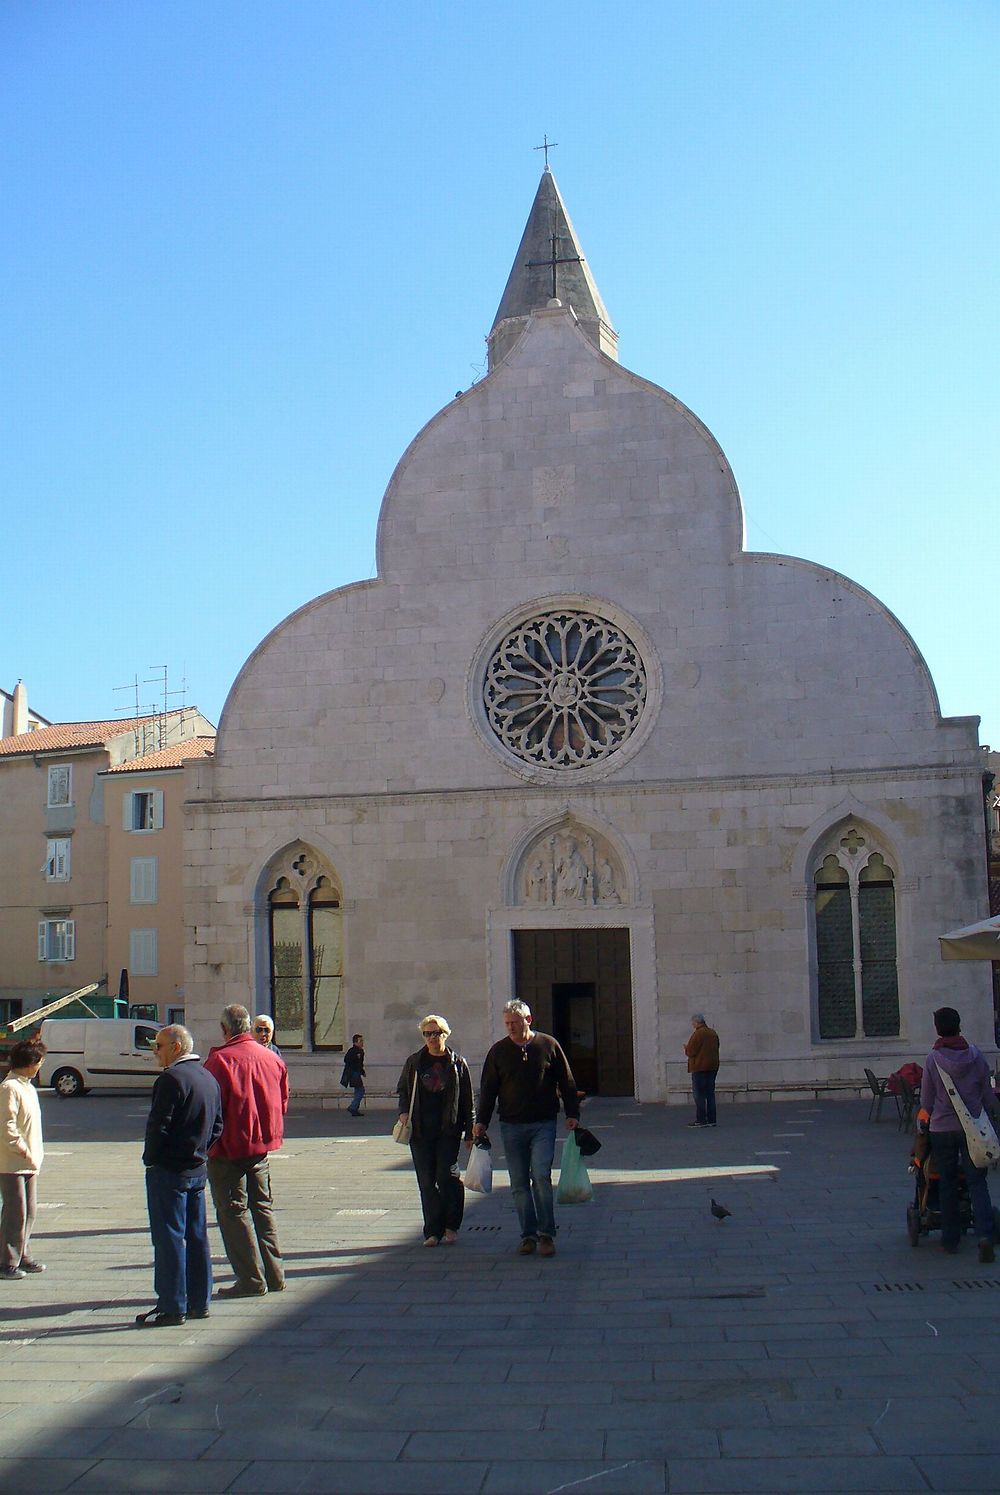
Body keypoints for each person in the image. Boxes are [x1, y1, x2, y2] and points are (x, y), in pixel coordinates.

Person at [474, 999, 579, 1257]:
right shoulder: (498, 1051)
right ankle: (528, 1235)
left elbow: (566, 1081)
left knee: (541, 1176)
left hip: (543, 1123)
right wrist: (481, 1121)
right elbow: (488, 1089)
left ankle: (546, 1234)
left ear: (528, 1020)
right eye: (507, 1023)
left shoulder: (548, 1045)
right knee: (519, 1182)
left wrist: (572, 1113)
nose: (510, 1027)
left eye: (515, 1022)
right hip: (511, 1125)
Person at [136, 1024, 223, 1328]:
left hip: (170, 1171)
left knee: (169, 1237)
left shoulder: (171, 1079)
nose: (154, 1052)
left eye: (158, 1046)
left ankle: (173, 1305)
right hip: (197, 1169)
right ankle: (200, 1301)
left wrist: (152, 1158)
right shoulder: (206, 1077)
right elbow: (217, 1126)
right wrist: (199, 1151)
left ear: (175, 1047)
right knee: (196, 1235)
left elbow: (158, 1126)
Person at [203, 1004, 289, 1297]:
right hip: (261, 1146)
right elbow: (283, 1099)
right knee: (263, 1208)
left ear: (225, 1029)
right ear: (249, 1027)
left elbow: (209, 1106)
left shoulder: (220, 1060)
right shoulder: (271, 1058)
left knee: (232, 1212)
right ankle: (275, 1275)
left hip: (228, 1148)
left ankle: (251, 1279)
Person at [918, 1006, 997, 1262]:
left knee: (948, 1183)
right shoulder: (977, 1056)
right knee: (977, 1182)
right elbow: (987, 1095)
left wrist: (924, 1120)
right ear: (959, 1025)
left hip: (942, 1128)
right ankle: (985, 1235)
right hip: (972, 1128)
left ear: (938, 1029)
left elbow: (926, 1101)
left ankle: (950, 1240)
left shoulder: (933, 1059)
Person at [396, 1014, 475, 1247]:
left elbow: (468, 1101)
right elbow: (403, 1091)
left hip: (448, 1131)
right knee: (427, 1181)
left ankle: (451, 1225)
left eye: (436, 1033)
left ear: (445, 1034)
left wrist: (470, 1132)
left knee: (446, 1177)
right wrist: (403, 1112)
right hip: (420, 1131)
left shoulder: (458, 1063)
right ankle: (432, 1231)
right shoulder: (414, 1062)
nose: (431, 1038)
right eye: (427, 1034)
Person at [0, 1038, 46, 1281]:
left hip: (30, 1161)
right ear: (30, 1063)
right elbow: (7, 1126)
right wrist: (22, 1149)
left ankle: (23, 1254)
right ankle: (7, 1261)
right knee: (15, 1212)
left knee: (29, 1211)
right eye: (39, 1060)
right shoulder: (9, 1088)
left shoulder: (27, 1086)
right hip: (12, 1162)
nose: (41, 1065)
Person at [684, 1014, 720, 1128]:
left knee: (699, 1094)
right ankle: (712, 1119)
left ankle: (701, 1120)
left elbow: (691, 1051)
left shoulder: (698, 1034)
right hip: (713, 1067)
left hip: (699, 1067)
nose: (692, 1025)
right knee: (710, 1094)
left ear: (697, 1022)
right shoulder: (713, 1033)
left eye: (693, 1022)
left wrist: (686, 1048)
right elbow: (717, 1046)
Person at [342, 1033, 366, 1117]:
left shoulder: (360, 1051)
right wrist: (356, 1068)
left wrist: (362, 1071)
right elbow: (347, 1060)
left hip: (356, 1072)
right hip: (353, 1073)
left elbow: (360, 1063)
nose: (362, 1042)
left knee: (358, 1090)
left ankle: (354, 1107)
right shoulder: (353, 1051)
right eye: (360, 1041)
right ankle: (353, 1107)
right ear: (355, 1042)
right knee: (360, 1090)